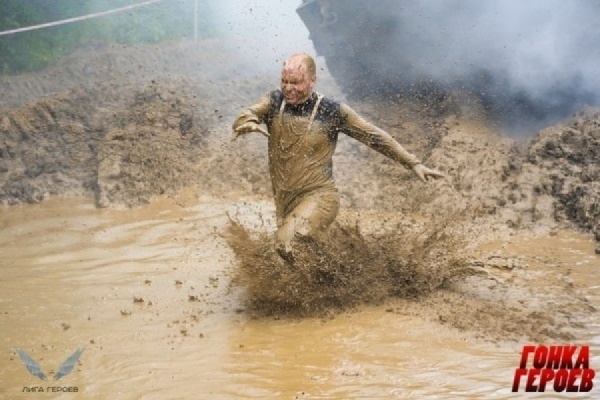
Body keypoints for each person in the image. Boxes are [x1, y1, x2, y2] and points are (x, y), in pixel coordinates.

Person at [232, 53, 444, 262]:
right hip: (285, 199)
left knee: (285, 241)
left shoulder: (331, 111)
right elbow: (247, 113)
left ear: (313, 80)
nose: (288, 88)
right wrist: (247, 122)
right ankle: (333, 278)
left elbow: (375, 136)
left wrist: (413, 162)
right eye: (284, 81)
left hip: (320, 196)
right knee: (292, 253)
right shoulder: (274, 101)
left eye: (296, 82)